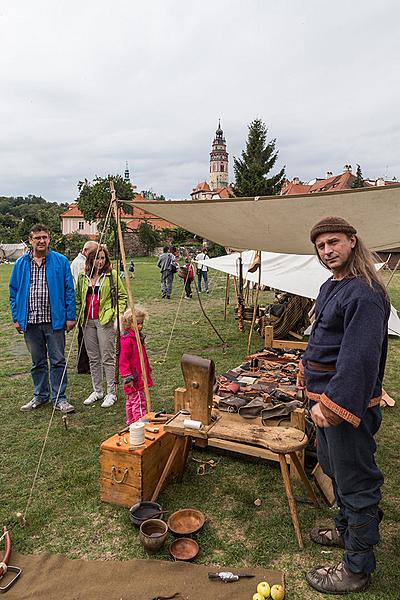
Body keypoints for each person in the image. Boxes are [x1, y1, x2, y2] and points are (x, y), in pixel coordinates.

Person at [300, 216, 390, 595]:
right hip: (323, 401)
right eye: (321, 247)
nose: (327, 251)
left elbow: (359, 359)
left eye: (333, 242)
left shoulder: (365, 293)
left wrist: (333, 406)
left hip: (344, 407)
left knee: (356, 484)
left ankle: (356, 567)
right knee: (336, 472)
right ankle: (345, 529)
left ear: (353, 242)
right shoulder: (331, 286)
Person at [9, 223, 76, 413]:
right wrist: (16, 318)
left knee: (57, 361)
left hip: (54, 321)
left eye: (44, 237)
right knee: (37, 362)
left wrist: (70, 316)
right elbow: (13, 293)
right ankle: (40, 395)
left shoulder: (61, 261)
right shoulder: (21, 263)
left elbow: (69, 291)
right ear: (30, 241)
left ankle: (60, 398)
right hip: (30, 323)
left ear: (49, 239)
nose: (41, 241)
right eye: (37, 238)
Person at [75, 245, 127, 407]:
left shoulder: (111, 275)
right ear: (91, 259)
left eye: (103, 258)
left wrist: (113, 313)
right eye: (97, 258)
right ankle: (97, 390)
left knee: (107, 357)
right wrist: (78, 316)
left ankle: (111, 392)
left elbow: (122, 296)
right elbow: (78, 298)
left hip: (105, 321)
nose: (100, 261)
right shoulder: (83, 276)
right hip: (87, 322)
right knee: (93, 357)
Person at [119, 305, 153, 424]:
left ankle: (132, 422)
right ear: (129, 324)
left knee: (131, 400)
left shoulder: (137, 337)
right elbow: (123, 361)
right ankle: (140, 423)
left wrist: (147, 367)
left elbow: (140, 357)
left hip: (140, 374)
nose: (140, 326)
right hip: (135, 379)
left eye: (142, 323)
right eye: (137, 324)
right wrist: (128, 377)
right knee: (138, 401)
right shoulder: (128, 340)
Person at [70, 241, 99, 374]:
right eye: (94, 253)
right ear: (86, 251)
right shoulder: (80, 264)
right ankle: (83, 365)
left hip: (88, 304)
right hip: (84, 305)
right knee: (84, 336)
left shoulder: (82, 262)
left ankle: (86, 364)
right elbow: (81, 285)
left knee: (88, 336)